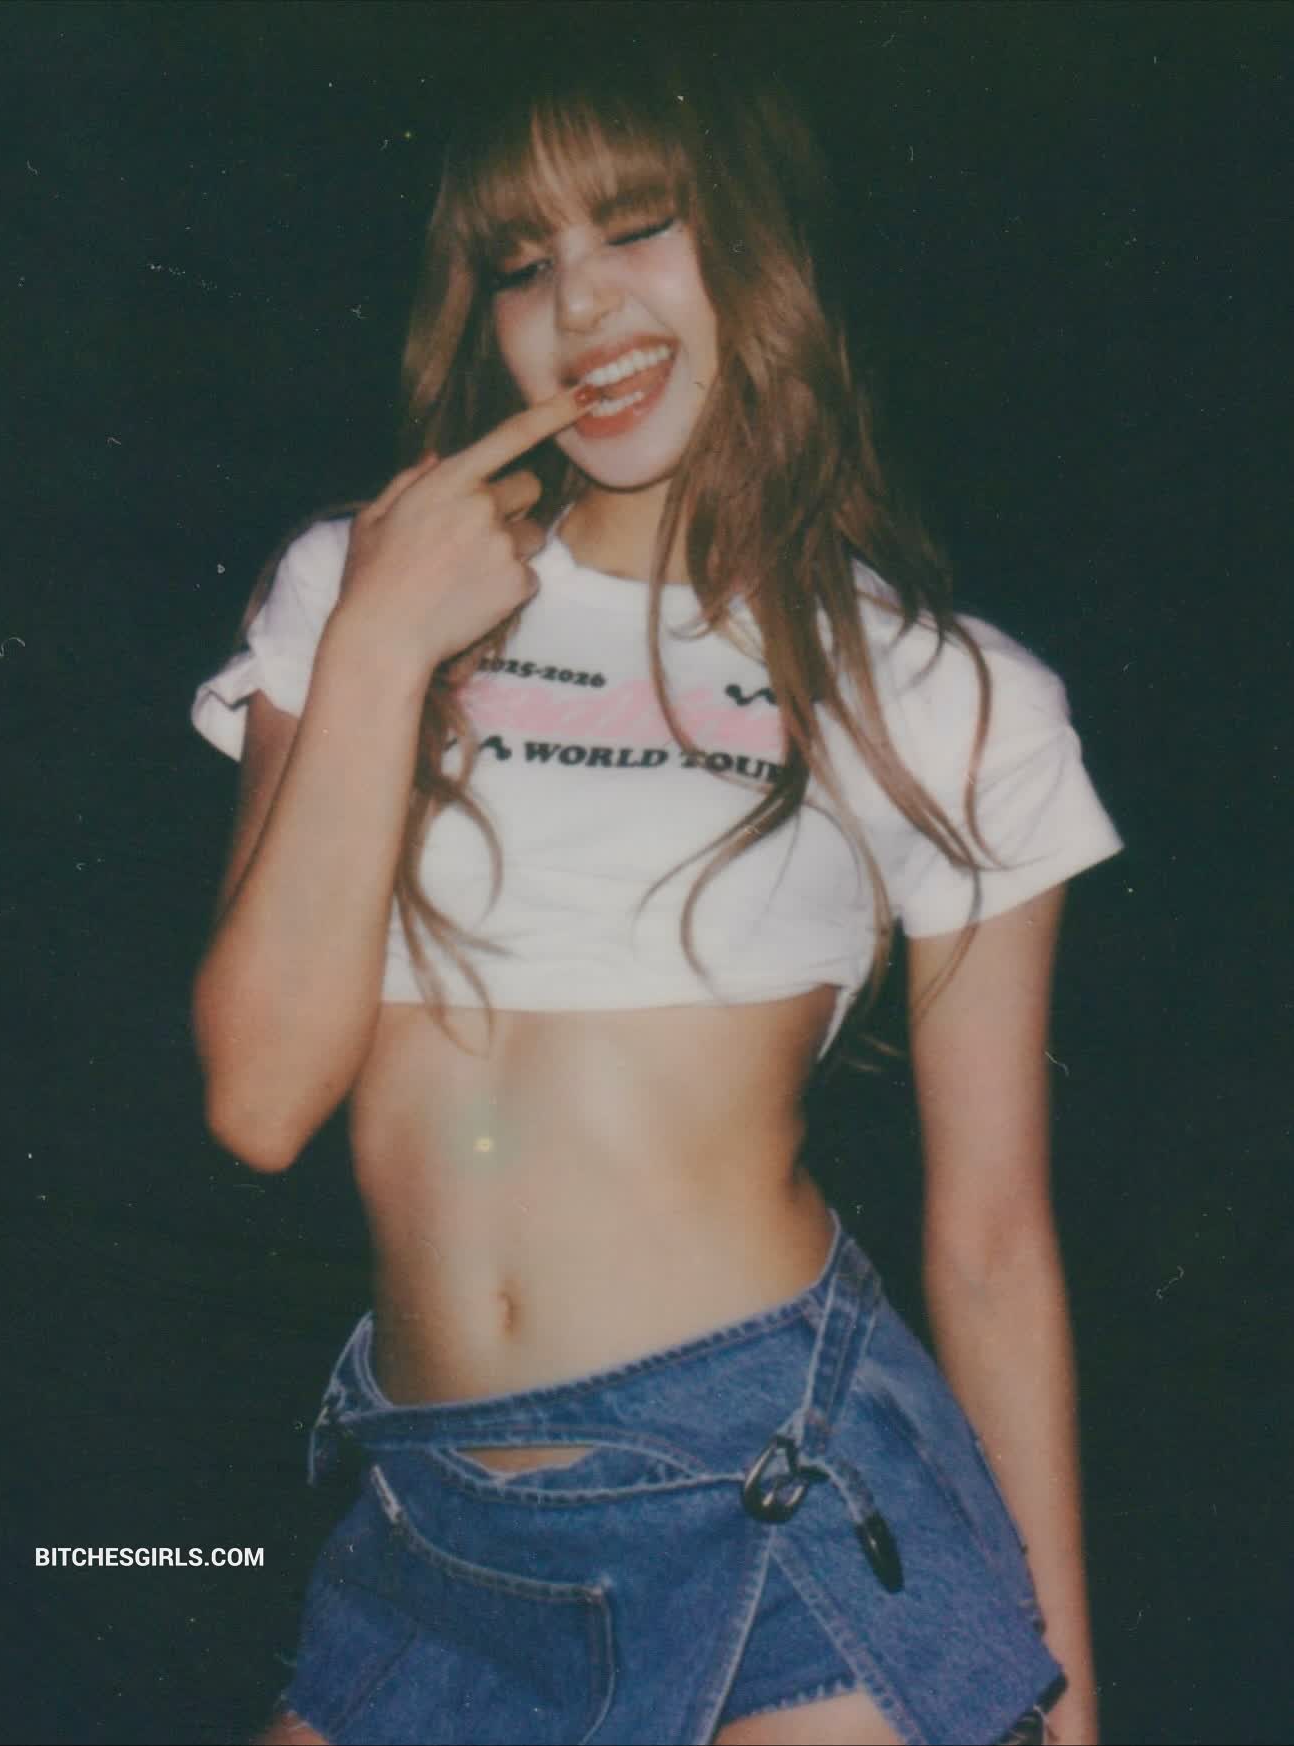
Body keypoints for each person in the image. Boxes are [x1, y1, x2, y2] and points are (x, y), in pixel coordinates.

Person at [190, 43, 1120, 1746]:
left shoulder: (947, 693)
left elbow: (991, 1241)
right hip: (433, 1531)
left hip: (781, 1498)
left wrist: (1063, 1702)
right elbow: (257, 1099)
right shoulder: (359, 589)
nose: (579, 304)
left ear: (763, 249)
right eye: (519, 260)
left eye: (635, 227)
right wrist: (384, 641)